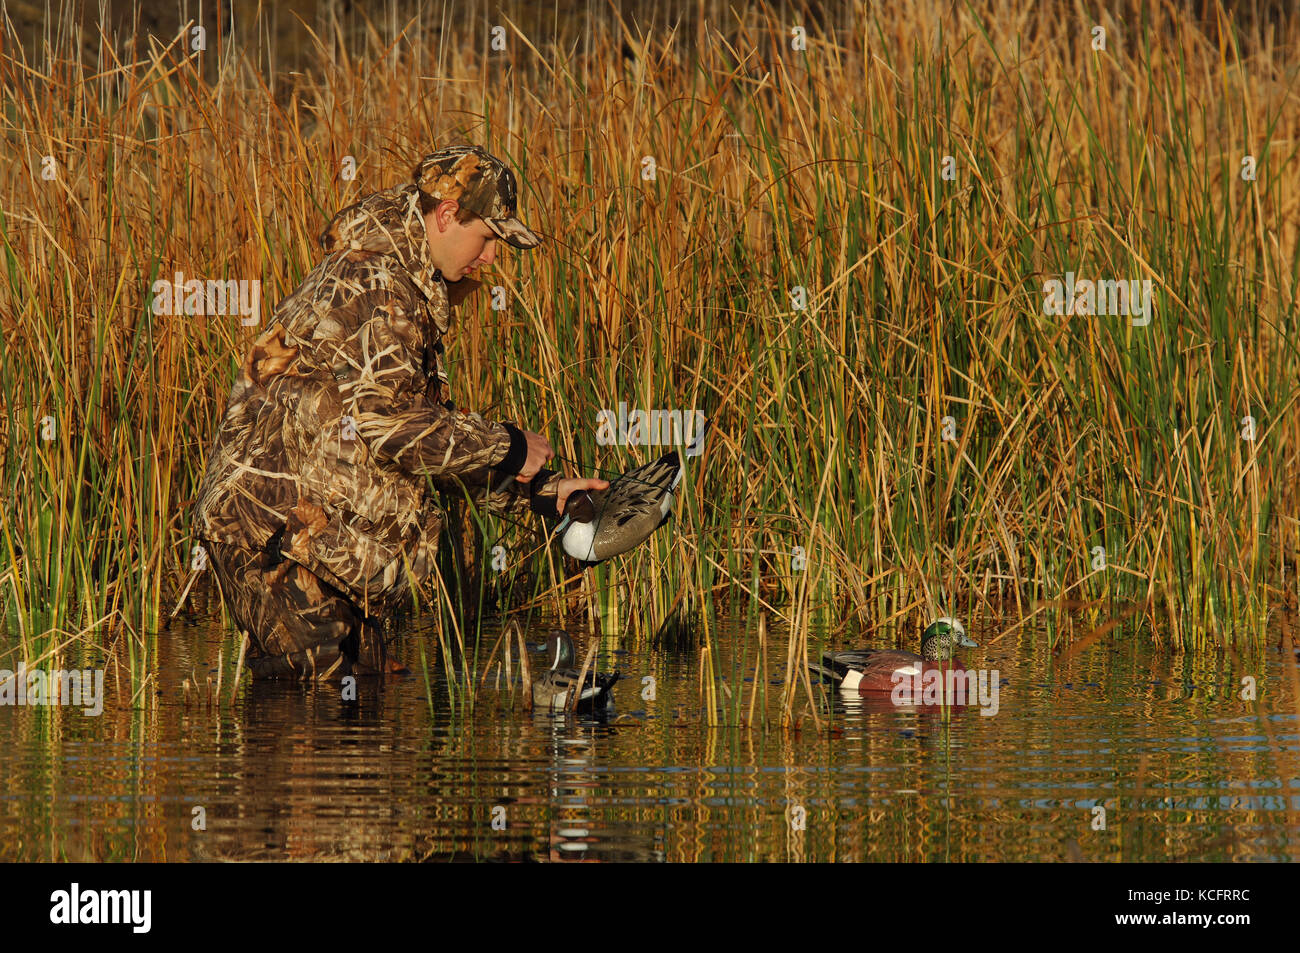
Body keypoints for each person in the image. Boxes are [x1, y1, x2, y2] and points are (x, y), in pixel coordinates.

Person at [191, 144, 607, 679]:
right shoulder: (374, 282)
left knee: (360, 718)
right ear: (447, 215)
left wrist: (544, 493)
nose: (492, 258)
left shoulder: (404, 289)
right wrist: (509, 443)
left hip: (329, 546)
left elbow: (425, 448)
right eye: (487, 238)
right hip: (278, 535)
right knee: (313, 721)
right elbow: (391, 427)